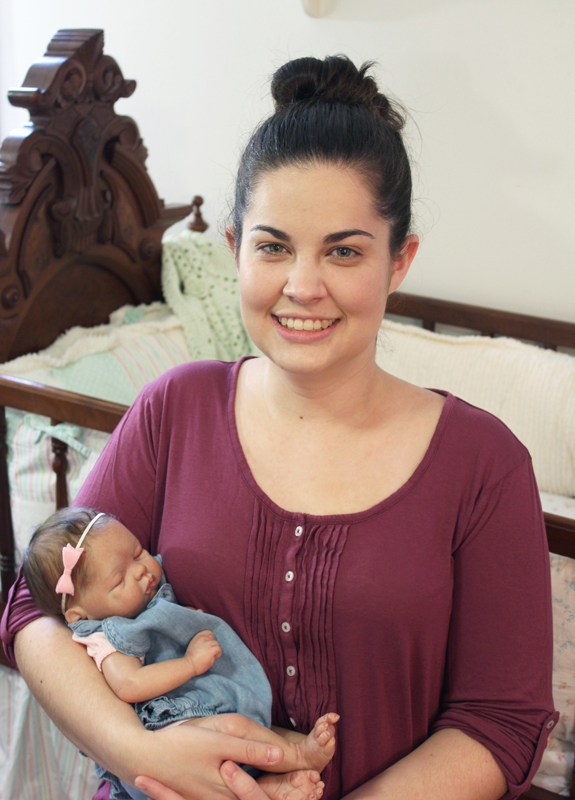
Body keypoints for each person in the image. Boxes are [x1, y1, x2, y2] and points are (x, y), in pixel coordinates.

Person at [2, 55, 557, 800]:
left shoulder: (482, 464)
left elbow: (501, 721)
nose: (302, 286)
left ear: (399, 261)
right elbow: (34, 613)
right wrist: (141, 750)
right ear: (234, 249)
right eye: (273, 246)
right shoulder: (176, 409)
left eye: (344, 251)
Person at [22, 506, 338, 800]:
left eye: (137, 552)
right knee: (234, 729)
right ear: (80, 615)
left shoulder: (144, 600)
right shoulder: (107, 636)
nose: (141, 571)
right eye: (119, 579)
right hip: (171, 726)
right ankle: (296, 757)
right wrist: (188, 663)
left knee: (242, 729)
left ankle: (272, 783)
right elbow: (129, 684)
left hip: (201, 707)